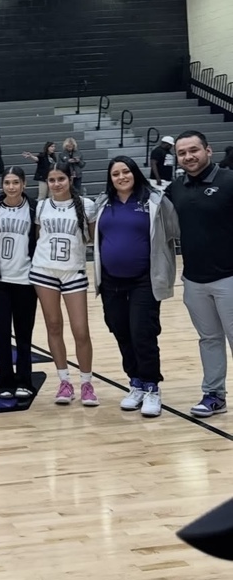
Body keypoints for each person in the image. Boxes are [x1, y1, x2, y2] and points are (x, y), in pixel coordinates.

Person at [94, 157, 177, 418]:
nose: (121, 177)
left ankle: (152, 386)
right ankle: (136, 383)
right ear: (110, 178)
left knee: (142, 332)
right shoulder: (103, 202)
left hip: (144, 279)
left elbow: (174, 230)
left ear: (135, 173)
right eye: (115, 173)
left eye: (126, 171)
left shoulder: (154, 200)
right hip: (111, 281)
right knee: (120, 330)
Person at [166, 130, 233, 418]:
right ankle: (214, 395)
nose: (188, 157)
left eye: (193, 150)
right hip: (193, 280)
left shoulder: (229, 181)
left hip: (229, 277)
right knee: (209, 339)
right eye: (182, 153)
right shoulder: (176, 188)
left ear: (208, 150)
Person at [30, 162, 98, 407]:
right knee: (54, 326)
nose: (56, 184)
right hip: (44, 271)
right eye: (52, 180)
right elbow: (38, 237)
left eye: (61, 179)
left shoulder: (87, 205)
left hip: (74, 272)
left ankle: (87, 383)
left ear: (70, 179)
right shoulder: (41, 206)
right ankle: (64, 381)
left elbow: (93, 240)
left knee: (81, 330)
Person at [0, 167, 38, 400]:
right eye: (7, 182)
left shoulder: (34, 207)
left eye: (16, 182)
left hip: (26, 280)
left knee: (24, 333)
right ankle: (5, 380)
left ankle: (25, 380)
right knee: (2, 332)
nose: (11, 187)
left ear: (24, 184)